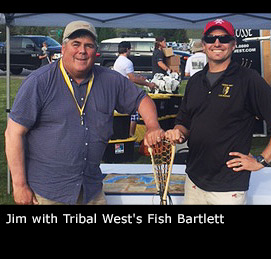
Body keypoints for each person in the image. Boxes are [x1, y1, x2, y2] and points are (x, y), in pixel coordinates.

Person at [5, 20, 164, 205]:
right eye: (76, 44)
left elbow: (141, 100)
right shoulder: (39, 82)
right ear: (63, 49)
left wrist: (153, 126)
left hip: (91, 191)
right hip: (48, 193)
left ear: (95, 52)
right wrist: (19, 185)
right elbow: (13, 134)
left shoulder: (109, 80)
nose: (82, 51)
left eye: (88, 46)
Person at [165, 19, 271, 205]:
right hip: (194, 181)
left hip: (228, 189)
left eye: (224, 38)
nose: (217, 43)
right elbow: (184, 122)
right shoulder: (195, 81)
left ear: (234, 44)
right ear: (203, 45)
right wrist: (178, 132)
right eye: (211, 39)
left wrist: (261, 160)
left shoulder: (248, 79)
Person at [113, 41, 157, 136]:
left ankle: (126, 133)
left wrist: (138, 77)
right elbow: (132, 79)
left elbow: (128, 76)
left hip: (118, 90)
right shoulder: (127, 62)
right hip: (125, 91)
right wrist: (147, 84)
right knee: (134, 113)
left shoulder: (117, 61)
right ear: (128, 49)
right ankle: (131, 134)